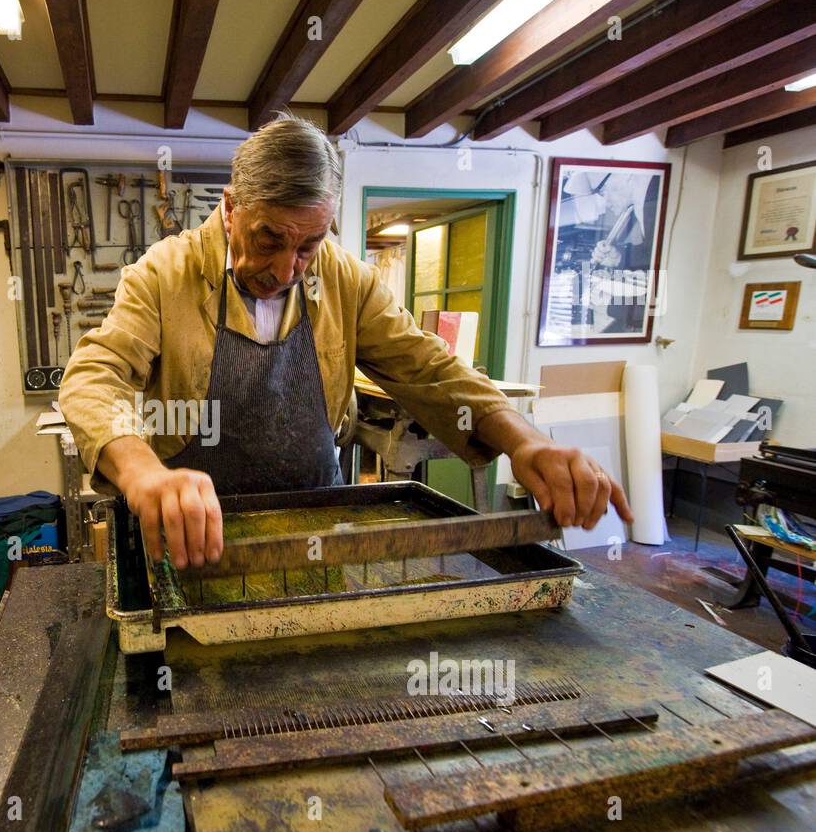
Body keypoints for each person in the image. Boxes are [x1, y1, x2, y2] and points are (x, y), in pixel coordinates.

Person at [59, 114, 632, 569]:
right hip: (197, 538)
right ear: (231, 210)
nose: (287, 269)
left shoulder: (343, 279)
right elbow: (94, 376)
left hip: (318, 528)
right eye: (269, 240)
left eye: (307, 244)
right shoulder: (166, 274)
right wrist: (142, 472)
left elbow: (430, 369)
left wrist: (524, 441)